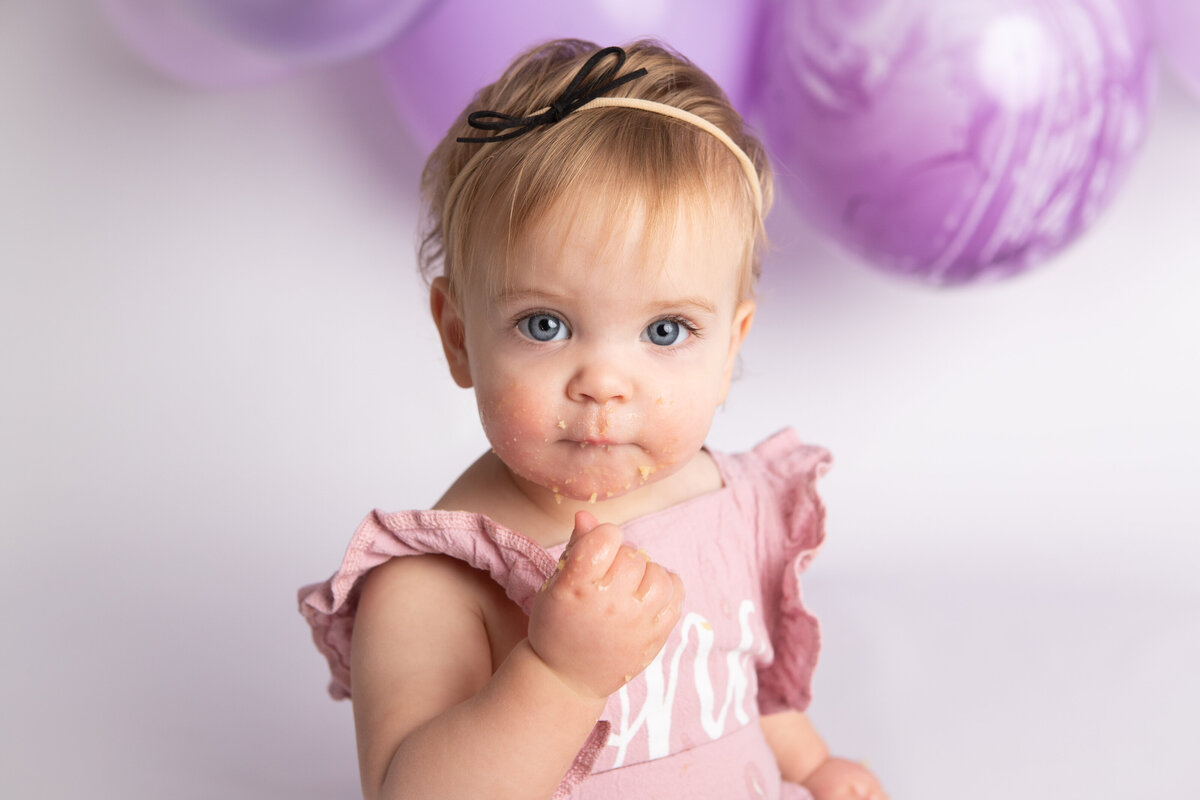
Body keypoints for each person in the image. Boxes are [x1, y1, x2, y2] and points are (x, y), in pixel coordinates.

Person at [299, 39, 887, 800]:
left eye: (666, 331)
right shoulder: (434, 582)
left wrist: (810, 764)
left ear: (730, 344)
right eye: (544, 325)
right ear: (458, 336)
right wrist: (558, 674)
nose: (605, 384)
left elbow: (733, 683)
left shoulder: (725, 499)